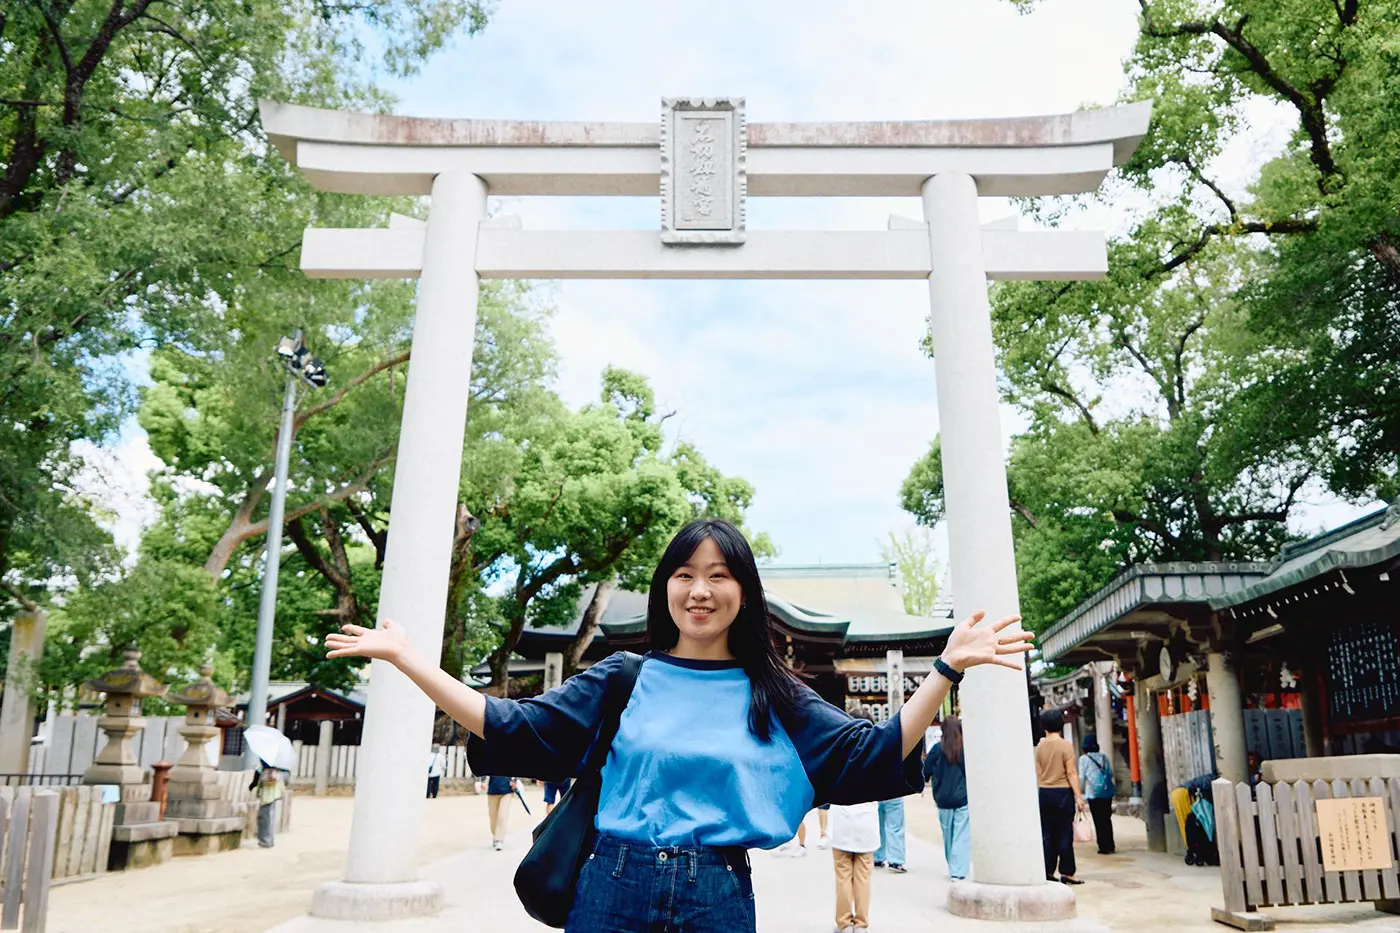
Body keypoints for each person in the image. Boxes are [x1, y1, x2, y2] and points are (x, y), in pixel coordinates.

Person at [325, 518, 1031, 933]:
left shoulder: (772, 691)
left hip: (718, 891)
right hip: (612, 880)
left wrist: (945, 669)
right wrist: (408, 657)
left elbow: (868, 752)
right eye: (686, 572)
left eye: (720, 574)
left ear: (744, 591)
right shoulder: (624, 678)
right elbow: (513, 723)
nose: (701, 589)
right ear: (667, 585)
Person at [830, 709, 880, 933]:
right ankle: (860, 923)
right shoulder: (876, 755)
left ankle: (843, 922)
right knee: (863, 876)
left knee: (842, 876)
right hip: (866, 824)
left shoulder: (838, 754)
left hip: (842, 822)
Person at [1036, 708, 1086, 884]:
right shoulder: (1066, 746)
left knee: (1047, 834)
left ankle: (1048, 871)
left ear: (1044, 726)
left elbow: (1037, 772)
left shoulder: (1039, 747)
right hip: (1063, 793)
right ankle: (1067, 871)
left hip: (1044, 792)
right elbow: (1071, 772)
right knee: (1064, 833)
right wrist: (1079, 797)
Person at [925, 714, 970, 879]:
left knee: (948, 835)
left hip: (942, 799)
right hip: (962, 798)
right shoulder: (964, 749)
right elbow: (969, 773)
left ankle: (953, 865)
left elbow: (926, 770)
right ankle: (957, 871)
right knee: (961, 835)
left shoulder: (937, 749)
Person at [1078, 733, 1116, 855]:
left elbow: (1082, 777)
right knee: (1107, 818)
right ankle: (1110, 844)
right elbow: (1110, 773)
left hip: (1093, 794)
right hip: (1106, 793)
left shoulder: (1084, 759)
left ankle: (1103, 846)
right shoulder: (1104, 757)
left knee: (1098, 820)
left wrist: (1079, 793)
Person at [248, 765, 284, 848]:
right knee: (270, 818)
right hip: (275, 794)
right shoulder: (278, 769)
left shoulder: (265, 769)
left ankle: (265, 841)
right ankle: (270, 840)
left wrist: (252, 786)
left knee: (264, 818)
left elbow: (256, 781)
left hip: (267, 796)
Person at [484, 774, 516, 850]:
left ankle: (499, 839)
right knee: (493, 816)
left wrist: (514, 780)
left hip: (507, 789)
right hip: (492, 789)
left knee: (503, 815)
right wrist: (483, 782)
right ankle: (495, 835)